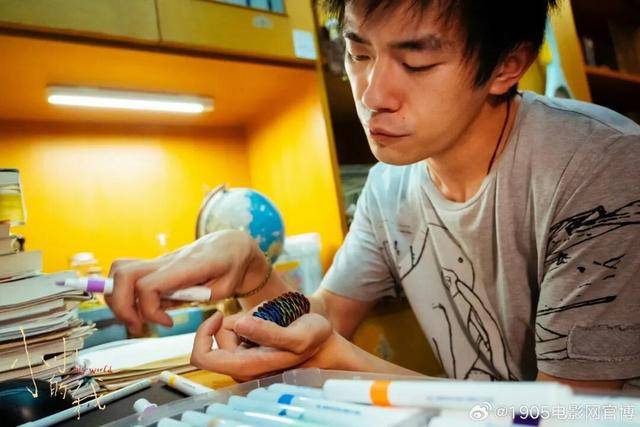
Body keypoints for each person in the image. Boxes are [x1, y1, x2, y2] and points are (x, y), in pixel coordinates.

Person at [108, 0, 640, 391]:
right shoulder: (389, 186)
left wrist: (335, 358)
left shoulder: (602, 167)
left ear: (507, 66)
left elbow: (568, 414)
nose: (373, 95)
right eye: (358, 53)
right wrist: (250, 269)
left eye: (416, 63)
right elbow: (326, 315)